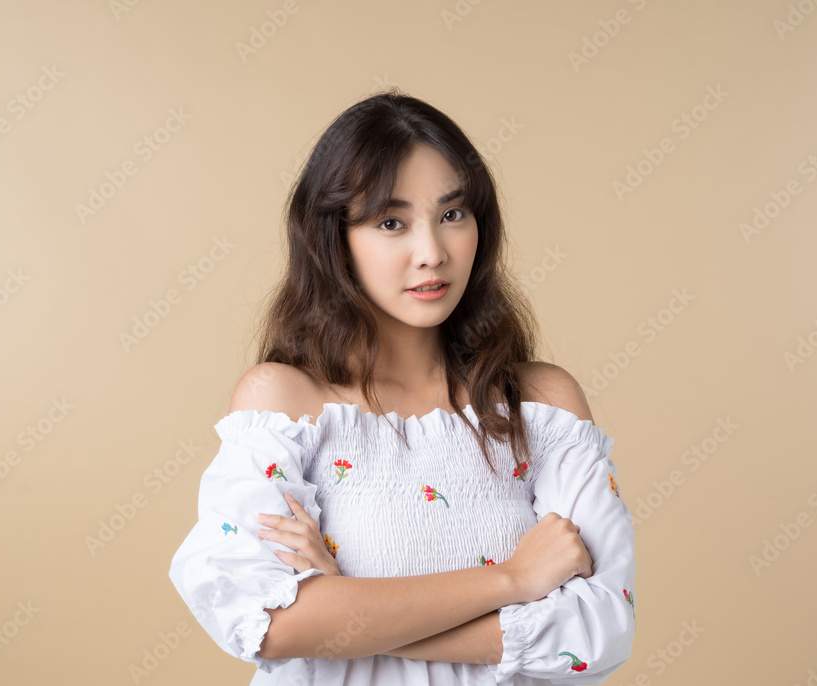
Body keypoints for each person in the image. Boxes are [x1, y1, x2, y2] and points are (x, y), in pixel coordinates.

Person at [168, 89, 636, 685]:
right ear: (334, 239)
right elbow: (269, 624)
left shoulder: (543, 406)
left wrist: (345, 606)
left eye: (451, 214)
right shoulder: (284, 405)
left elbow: (595, 635)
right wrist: (514, 581)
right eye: (392, 222)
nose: (432, 253)